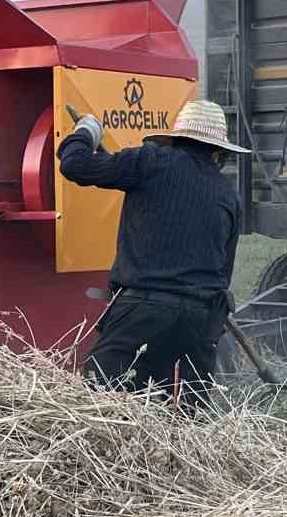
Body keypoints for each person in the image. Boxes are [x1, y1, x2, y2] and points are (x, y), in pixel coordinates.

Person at [57, 99, 247, 411]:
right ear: (218, 150)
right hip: (199, 322)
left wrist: (86, 131)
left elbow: (74, 164)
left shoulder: (149, 162)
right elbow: (223, 272)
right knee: (186, 421)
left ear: (176, 137)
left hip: (141, 312)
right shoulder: (228, 193)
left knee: (99, 407)